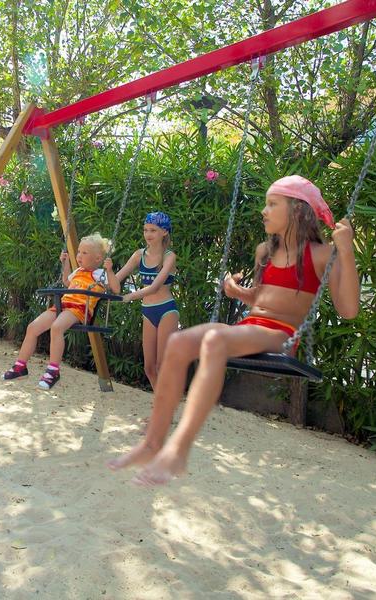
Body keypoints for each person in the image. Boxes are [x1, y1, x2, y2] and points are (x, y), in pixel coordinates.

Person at [108, 175, 360, 486]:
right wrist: (237, 291)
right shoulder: (264, 251)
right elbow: (262, 298)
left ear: (297, 210)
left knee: (215, 340)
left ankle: (178, 450)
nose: (264, 211)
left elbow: (348, 310)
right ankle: (152, 443)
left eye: (272, 204)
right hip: (250, 326)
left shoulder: (322, 254)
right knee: (179, 342)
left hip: (281, 333)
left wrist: (346, 252)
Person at [3, 232, 114, 390]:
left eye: (84, 253)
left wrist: (109, 270)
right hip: (62, 306)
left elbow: (115, 288)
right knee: (33, 327)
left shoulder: (100, 274)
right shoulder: (78, 271)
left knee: (56, 327)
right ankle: (20, 367)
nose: (79, 256)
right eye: (79, 252)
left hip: (78, 309)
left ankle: (53, 371)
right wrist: (66, 263)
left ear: (97, 258)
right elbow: (67, 282)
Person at [105, 212, 178, 390]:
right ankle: (162, 403)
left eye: (153, 230)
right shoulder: (139, 255)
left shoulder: (169, 256)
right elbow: (115, 283)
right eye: (145, 230)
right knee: (149, 368)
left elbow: (154, 287)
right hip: (147, 311)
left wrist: (130, 296)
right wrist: (109, 271)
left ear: (164, 232)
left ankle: (163, 406)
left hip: (166, 310)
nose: (148, 234)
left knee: (161, 366)